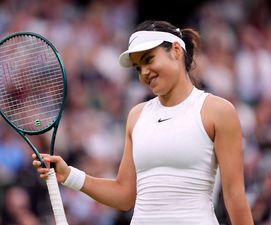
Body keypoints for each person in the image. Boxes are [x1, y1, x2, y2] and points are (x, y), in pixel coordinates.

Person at [32, 20, 254, 225]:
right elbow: (124, 195)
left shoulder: (218, 111)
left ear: (176, 51)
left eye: (148, 59)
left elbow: (235, 197)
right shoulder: (136, 115)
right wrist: (69, 175)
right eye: (138, 68)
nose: (144, 73)